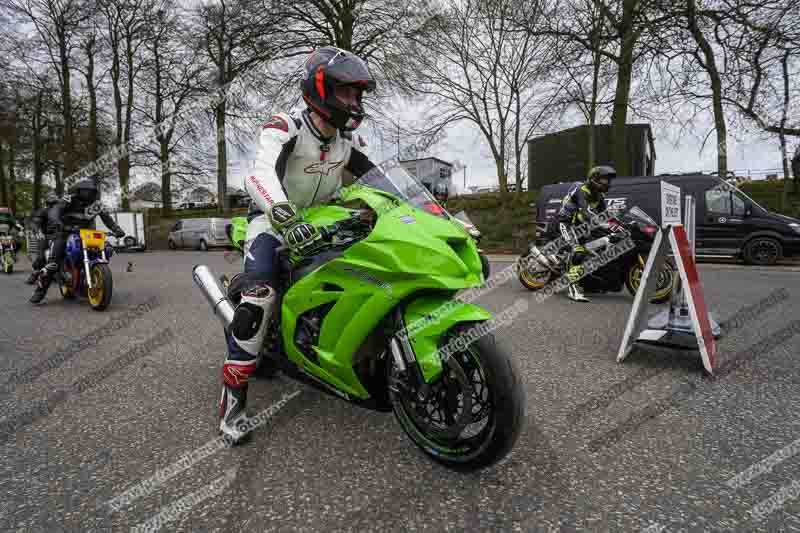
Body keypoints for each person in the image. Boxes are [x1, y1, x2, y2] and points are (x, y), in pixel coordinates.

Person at [217, 46, 380, 444]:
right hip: (272, 222)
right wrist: (286, 217)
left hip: (324, 221)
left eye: (357, 94)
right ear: (320, 89)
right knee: (259, 295)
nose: (353, 102)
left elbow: (380, 181)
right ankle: (232, 404)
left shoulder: (348, 139)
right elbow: (259, 176)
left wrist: (431, 213)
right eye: (346, 92)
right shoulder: (285, 126)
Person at [29, 180, 125, 304]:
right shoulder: (69, 199)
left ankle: (94, 275)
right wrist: (57, 222)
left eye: (91, 192)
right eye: (86, 191)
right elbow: (55, 211)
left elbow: (107, 218)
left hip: (86, 233)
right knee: (53, 261)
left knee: (106, 248)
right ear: (78, 191)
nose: (88, 194)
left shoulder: (96, 204)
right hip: (64, 232)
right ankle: (40, 291)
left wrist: (117, 230)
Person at [556, 165, 616, 302]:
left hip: (581, 226)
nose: (607, 183)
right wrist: (601, 223)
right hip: (566, 223)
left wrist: (621, 224)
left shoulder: (599, 196)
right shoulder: (582, 190)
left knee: (592, 249)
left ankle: (589, 283)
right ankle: (572, 289)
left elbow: (606, 215)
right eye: (604, 180)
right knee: (578, 251)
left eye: (608, 181)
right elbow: (586, 211)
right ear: (594, 179)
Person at [26, 192, 61, 285]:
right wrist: (39, 231)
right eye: (52, 203)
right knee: (41, 254)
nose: (53, 206)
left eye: (55, 203)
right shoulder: (44, 211)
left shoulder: (61, 212)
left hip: (61, 235)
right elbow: (36, 222)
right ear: (47, 203)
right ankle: (35, 273)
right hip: (47, 235)